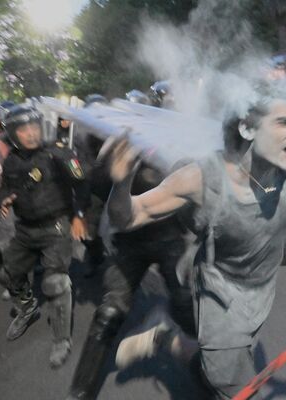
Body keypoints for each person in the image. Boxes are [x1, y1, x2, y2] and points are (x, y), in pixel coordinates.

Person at [102, 96, 286, 398]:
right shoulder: (202, 178)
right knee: (234, 386)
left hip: (262, 286)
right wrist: (121, 184)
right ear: (249, 129)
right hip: (219, 292)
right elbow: (130, 216)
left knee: (221, 368)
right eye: (284, 123)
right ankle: (180, 348)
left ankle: (166, 338)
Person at [65, 136, 196, 400]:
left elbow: (196, 196)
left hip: (169, 238)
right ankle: (79, 393)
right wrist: (88, 220)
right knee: (109, 311)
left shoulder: (179, 152)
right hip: (129, 242)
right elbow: (96, 189)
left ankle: (203, 367)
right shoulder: (119, 151)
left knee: (186, 306)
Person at [0, 104, 91, 368]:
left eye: (34, 127)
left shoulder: (58, 154)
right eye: (23, 129)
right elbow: (5, 185)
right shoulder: (11, 160)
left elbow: (82, 182)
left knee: (55, 283)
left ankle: (62, 340)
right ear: (13, 134)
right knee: (6, 274)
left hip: (56, 227)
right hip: (25, 229)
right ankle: (28, 310)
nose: (30, 133)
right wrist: (4, 199)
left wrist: (79, 215)